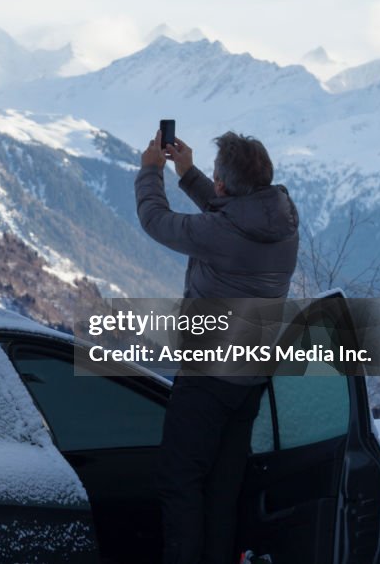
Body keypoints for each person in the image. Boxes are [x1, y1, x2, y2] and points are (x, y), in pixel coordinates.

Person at [135, 129, 299, 564]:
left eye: (216, 178)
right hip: (247, 379)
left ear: (225, 184)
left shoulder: (222, 234)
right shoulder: (282, 222)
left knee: (179, 482)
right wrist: (189, 175)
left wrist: (151, 171)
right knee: (221, 491)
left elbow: (155, 219)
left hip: (208, 378)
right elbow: (234, 216)